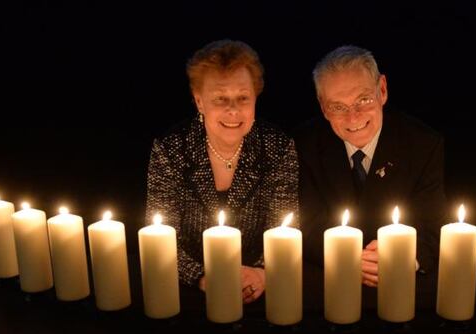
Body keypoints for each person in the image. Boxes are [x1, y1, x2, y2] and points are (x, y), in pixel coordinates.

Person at [145, 39, 298, 303]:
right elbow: (160, 237)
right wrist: (204, 277)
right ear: (199, 101)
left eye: (243, 98)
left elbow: (284, 227)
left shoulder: (278, 147)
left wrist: (262, 272)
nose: (233, 110)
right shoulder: (171, 149)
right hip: (190, 293)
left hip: (259, 289)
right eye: (220, 99)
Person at [295, 45, 446, 304]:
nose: (353, 117)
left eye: (363, 99)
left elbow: (432, 226)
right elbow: (307, 225)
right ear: (323, 108)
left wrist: (406, 257)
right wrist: (346, 256)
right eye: (338, 107)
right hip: (331, 289)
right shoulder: (304, 144)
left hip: (402, 291)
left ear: (383, 90)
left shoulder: (423, 144)